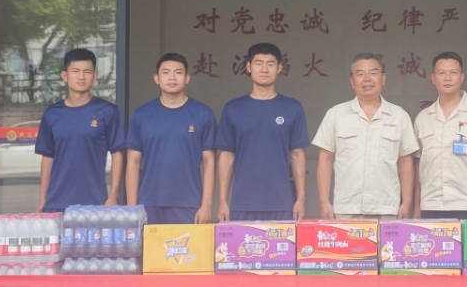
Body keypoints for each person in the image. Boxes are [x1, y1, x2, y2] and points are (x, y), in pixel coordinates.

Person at [312, 53, 419, 220]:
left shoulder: (399, 116)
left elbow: (405, 162)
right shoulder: (336, 114)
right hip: (347, 208)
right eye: (360, 74)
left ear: (383, 78)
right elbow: (325, 159)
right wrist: (324, 202)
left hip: (387, 208)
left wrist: (406, 202)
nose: (367, 79)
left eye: (374, 73)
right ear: (351, 81)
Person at [216, 43, 309, 221]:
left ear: (279, 68)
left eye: (270, 64)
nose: (264, 69)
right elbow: (227, 156)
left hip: (282, 204)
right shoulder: (233, 108)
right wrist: (222, 202)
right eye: (258, 63)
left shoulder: (292, 108)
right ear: (248, 67)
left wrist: (301, 199)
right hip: (242, 203)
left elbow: (297, 154)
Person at [126, 53, 217, 224]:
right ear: (157, 78)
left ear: (187, 78)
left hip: (189, 203)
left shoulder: (203, 114)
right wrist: (132, 208)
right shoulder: (142, 115)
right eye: (166, 72)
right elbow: (133, 163)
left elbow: (210, 162)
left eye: (178, 72)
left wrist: (206, 205)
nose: (172, 77)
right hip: (148, 203)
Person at [412, 51, 467, 220]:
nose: (448, 78)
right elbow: (418, 165)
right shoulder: (423, 118)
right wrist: (417, 207)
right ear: (433, 78)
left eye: (453, 73)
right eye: (442, 73)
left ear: (462, 77)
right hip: (430, 204)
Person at [34, 48, 126, 213]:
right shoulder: (52, 113)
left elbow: (117, 154)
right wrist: (42, 199)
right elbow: (47, 157)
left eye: (87, 72)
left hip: (95, 203)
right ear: (65, 76)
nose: (81, 77)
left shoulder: (108, 111)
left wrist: (113, 195)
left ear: (95, 76)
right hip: (56, 202)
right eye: (75, 71)